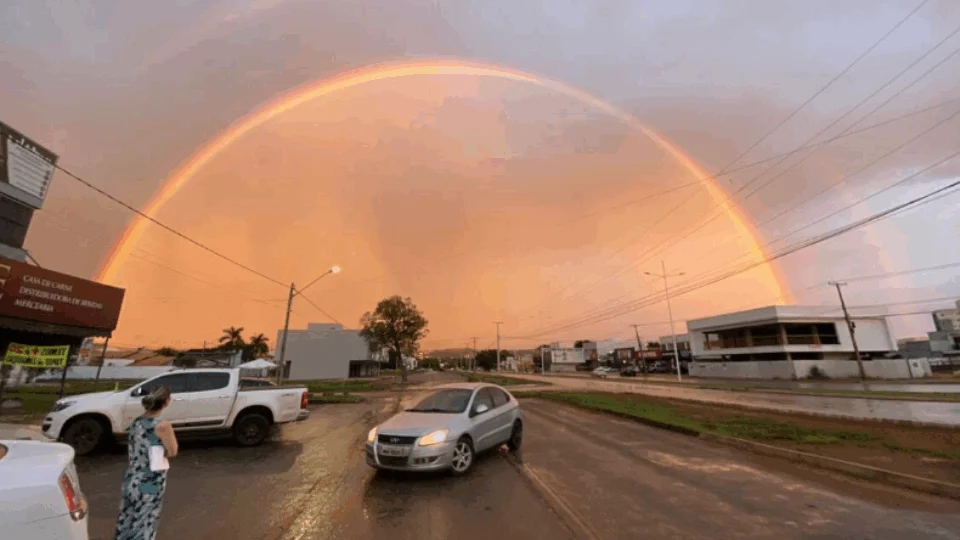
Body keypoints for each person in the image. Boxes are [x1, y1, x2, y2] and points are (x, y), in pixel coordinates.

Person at [114, 386, 178, 540]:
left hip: (131, 477)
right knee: (144, 525)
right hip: (150, 481)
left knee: (126, 521)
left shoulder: (137, 422)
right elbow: (173, 451)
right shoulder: (163, 425)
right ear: (167, 402)